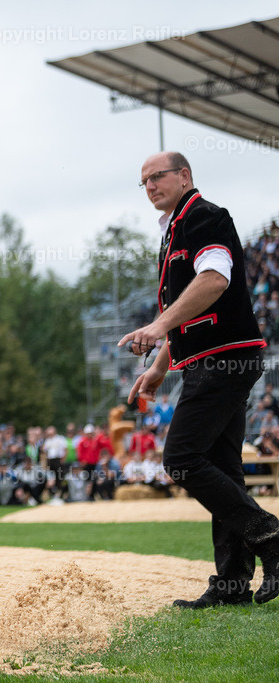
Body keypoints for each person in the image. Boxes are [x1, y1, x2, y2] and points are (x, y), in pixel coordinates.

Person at [120, 151, 279, 608]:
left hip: (224, 359)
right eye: (144, 181)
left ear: (184, 175)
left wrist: (157, 327)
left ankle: (270, 537)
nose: (150, 186)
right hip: (212, 359)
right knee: (223, 468)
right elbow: (188, 312)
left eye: (158, 176)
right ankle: (232, 585)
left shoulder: (205, 216)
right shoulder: (175, 228)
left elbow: (213, 280)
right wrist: (158, 366)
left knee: (182, 458)